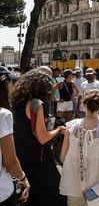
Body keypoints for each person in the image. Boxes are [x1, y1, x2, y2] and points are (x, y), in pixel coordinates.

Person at [11, 70, 67, 206]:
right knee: (50, 192)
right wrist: (59, 130)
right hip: (38, 155)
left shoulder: (15, 101)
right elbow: (43, 138)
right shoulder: (36, 103)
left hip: (19, 151)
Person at [60, 89, 99, 206]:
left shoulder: (71, 126)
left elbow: (62, 158)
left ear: (83, 104)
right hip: (98, 188)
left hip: (74, 185)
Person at [0, 66, 30, 206]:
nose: (13, 87)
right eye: (11, 83)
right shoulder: (3, 115)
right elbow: (10, 161)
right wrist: (23, 178)